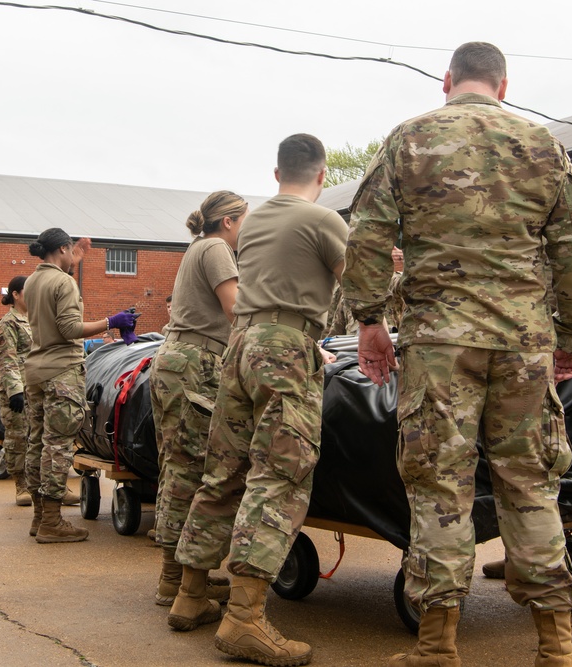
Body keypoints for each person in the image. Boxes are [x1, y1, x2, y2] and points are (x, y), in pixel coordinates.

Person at [343, 42, 572, 666]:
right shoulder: (542, 144)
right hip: (523, 341)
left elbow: (368, 232)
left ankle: (437, 646)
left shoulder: (409, 139)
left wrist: (371, 319)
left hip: (438, 342)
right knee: (531, 481)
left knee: (438, 485)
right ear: (504, 85)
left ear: (448, 81)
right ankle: (557, 647)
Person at [172, 134, 347, 666]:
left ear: (276, 175)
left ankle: (190, 594)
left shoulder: (254, 223)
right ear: (322, 176)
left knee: (223, 469)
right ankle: (245, 619)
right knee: (281, 473)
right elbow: (362, 286)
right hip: (285, 348)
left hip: (241, 347)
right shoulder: (323, 220)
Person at [483, 199, 572, 589]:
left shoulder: (545, 202)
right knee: (570, 448)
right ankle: (528, 554)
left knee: (549, 451)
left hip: (545, 344)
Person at [150, 191, 248, 609]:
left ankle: (181, 576)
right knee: (192, 471)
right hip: (197, 364)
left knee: (178, 466)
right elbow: (236, 309)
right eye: (245, 220)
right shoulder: (216, 248)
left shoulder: (198, 247)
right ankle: (175, 581)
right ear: (228, 221)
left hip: (178, 362)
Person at [23, 227, 138, 544]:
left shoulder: (33, 280)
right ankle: (51, 522)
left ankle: (38, 516)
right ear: (61, 249)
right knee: (57, 446)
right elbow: (70, 328)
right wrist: (112, 322)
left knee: (38, 444)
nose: (73, 257)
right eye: (70, 252)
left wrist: (76, 259)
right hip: (61, 371)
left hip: (35, 370)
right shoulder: (63, 282)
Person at [0, 276, 33, 506]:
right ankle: (21, 485)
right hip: (17, 391)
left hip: (40, 389)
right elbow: (6, 359)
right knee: (18, 439)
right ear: (16, 294)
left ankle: (50, 486)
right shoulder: (8, 323)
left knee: (44, 439)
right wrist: (15, 391)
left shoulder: (39, 319)